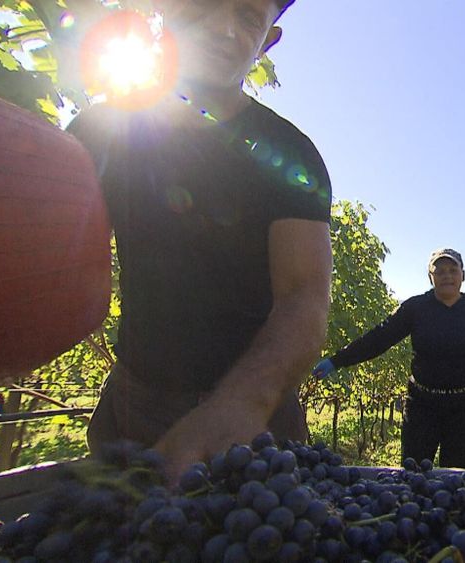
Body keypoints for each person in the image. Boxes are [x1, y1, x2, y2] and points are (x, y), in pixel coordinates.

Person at [67, 0, 332, 480]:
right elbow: (47, 262)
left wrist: (242, 405)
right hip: (133, 407)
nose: (225, 28)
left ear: (267, 41)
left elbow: (304, 297)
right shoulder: (98, 132)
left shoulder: (289, 154)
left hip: (259, 419)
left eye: (250, 17)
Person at [312, 248, 465, 468]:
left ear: (463, 274)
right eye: (439, 271)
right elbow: (380, 338)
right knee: (414, 472)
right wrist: (337, 360)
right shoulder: (415, 308)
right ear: (430, 277)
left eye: (453, 270)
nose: (447, 276)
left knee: (457, 474)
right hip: (423, 406)